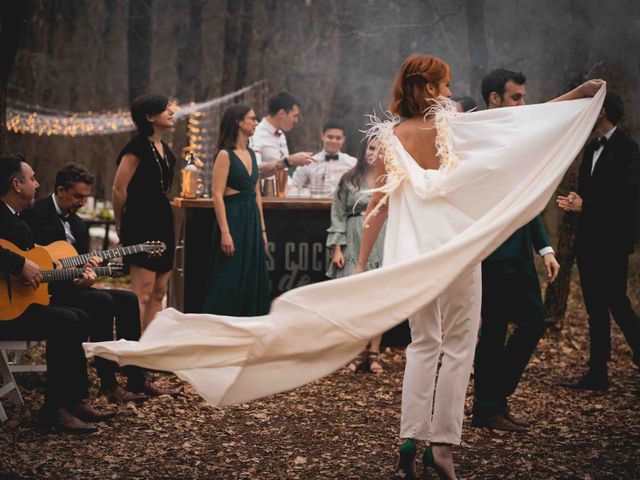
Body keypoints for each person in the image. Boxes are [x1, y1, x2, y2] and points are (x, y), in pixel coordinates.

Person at [354, 56, 602, 480]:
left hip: (414, 257)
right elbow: (518, 130)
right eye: (446, 86)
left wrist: (362, 266)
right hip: (456, 251)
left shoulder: (390, 139)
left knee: (422, 344)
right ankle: (442, 447)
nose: (451, 93)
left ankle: (409, 439)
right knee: (458, 347)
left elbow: (376, 207)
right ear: (431, 89)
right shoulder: (453, 129)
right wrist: (577, 97)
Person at [22, 164, 172, 401]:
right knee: (101, 301)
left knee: (128, 298)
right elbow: (25, 255)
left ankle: (136, 377)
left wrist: (88, 273)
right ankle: (108, 382)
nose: (82, 203)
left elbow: (82, 270)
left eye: (86, 197)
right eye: (77, 196)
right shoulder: (33, 214)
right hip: (41, 291)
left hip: (70, 287)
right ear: (60, 191)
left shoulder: (79, 224)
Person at [471, 69, 560, 432]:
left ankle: (493, 396)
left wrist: (546, 249)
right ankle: (487, 409)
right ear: (494, 98)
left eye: (524, 96)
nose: (524, 103)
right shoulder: (475, 135)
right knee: (492, 331)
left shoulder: (520, 135)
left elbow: (530, 198)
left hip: (521, 251)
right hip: (492, 254)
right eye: (516, 97)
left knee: (533, 322)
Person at [0, 154, 114, 432]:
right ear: (16, 184)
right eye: (33, 178)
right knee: (68, 320)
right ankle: (54, 410)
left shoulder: (17, 220)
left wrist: (74, 277)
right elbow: (19, 263)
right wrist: (18, 264)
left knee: (78, 316)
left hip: (22, 303)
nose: (38, 185)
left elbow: (37, 269)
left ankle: (74, 400)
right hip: (5, 312)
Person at [557, 92, 640, 390]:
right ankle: (597, 373)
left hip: (613, 243)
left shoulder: (629, 149)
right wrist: (575, 202)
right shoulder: (591, 147)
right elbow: (593, 193)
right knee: (594, 307)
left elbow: (627, 199)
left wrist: (587, 205)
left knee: (617, 302)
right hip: (589, 242)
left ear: (601, 111)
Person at [112, 94, 176, 331]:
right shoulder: (136, 147)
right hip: (141, 220)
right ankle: (131, 347)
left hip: (163, 220)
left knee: (160, 291)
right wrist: (120, 224)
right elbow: (119, 189)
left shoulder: (167, 150)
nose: (171, 112)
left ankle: (150, 347)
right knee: (144, 291)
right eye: (165, 109)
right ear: (149, 116)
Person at [202, 105, 271, 316]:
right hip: (233, 218)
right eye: (252, 118)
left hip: (251, 218)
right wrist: (225, 232)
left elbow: (256, 193)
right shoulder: (225, 154)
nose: (256, 122)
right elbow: (217, 195)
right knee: (229, 277)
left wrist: (262, 230)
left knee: (252, 276)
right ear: (238, 122)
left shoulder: (251, 153)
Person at [326, 138, 385, 373]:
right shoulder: (348, 179)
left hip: (380, 237)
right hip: (352, 238)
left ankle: (373, 353)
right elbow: (337, 213)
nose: (375, 152)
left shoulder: (389, 178)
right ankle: (353, 351)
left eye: (380, 148)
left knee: (379, 299)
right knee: (352, 299)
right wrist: (337, 247)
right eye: (371, 147)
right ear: (363, 150)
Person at [250, 91, 314, 179]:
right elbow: (254, 170)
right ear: (282, 113)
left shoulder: (281, 134)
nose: (296, 120)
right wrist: (289, 161)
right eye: (295, 116)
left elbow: (284, 173)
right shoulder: (255, 134)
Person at [289, 120, 357, 197]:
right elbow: (293, 187)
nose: (334, 141)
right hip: (313, 207)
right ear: (322, 136)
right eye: (330, 137)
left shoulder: (352, 163)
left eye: (338, 138)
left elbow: (359, 187)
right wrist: (308, 195)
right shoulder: (308, 162)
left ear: (343, 139)